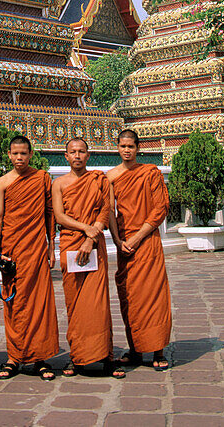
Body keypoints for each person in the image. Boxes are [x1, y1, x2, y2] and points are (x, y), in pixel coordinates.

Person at [52, 138, 124, 379]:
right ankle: (78, 356)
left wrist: (92, 237)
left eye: (82, 152)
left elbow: (106, 209)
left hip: (93, 244)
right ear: (65, 156)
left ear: (88, 155)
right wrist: (86, 229)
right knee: (75, 304)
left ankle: (106, 357)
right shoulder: (59, 184)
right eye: (73, 152)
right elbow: (60, 217)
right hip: (71, 243)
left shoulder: (99, 180)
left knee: (98, 304)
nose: (77, 156)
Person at [0, 134, 59, 380]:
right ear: (9, 155)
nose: (19, 158)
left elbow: (50, 214)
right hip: (12, 249)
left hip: (36, 248)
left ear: (31, 155)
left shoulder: (41, 179)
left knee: (39, 303)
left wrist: (51, 248)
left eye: (24, 153)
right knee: (14, 304)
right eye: (15, 153)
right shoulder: (2, 183)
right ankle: (14, 356)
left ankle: (39, 357)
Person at [108, 128, 172, 371]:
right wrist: (117, 240)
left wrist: (137, 237)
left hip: (147, 242)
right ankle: (135, 349)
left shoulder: (150, 173)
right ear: (117, 148)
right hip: (125, 245)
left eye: (131, 147)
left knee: (154, 296)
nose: (127, 150)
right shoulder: (111, 177)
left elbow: (160, 208)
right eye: (123, 146)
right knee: (130, 298)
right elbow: (109, 211)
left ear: (138, 148)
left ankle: (158, 349)